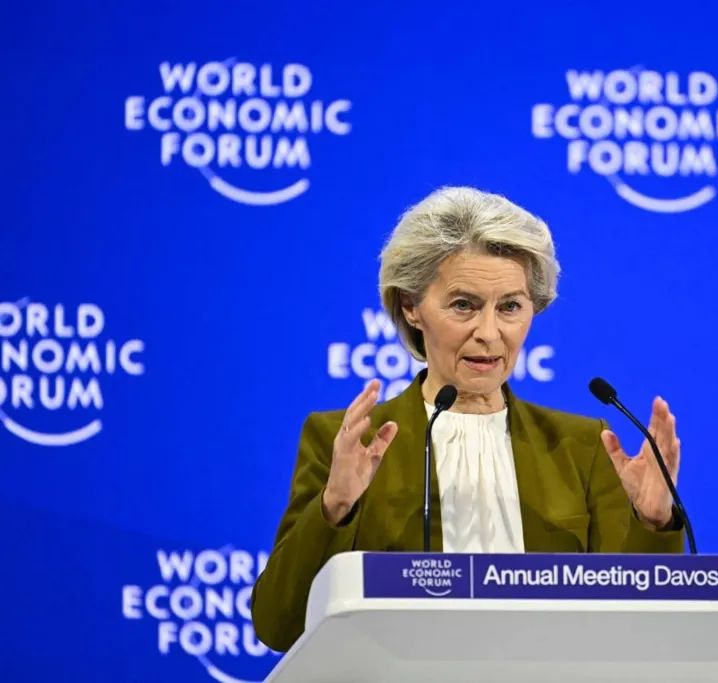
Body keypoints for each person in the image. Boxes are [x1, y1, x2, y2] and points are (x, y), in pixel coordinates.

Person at [251, 186, 685, 652]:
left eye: (510, 307)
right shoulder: (344, 442)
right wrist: (335, 506)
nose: (489, 333)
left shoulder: (583, 447)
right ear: (411, 307)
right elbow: (280, 626)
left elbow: (636, 634)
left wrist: (653, 524)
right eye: (464, 305)